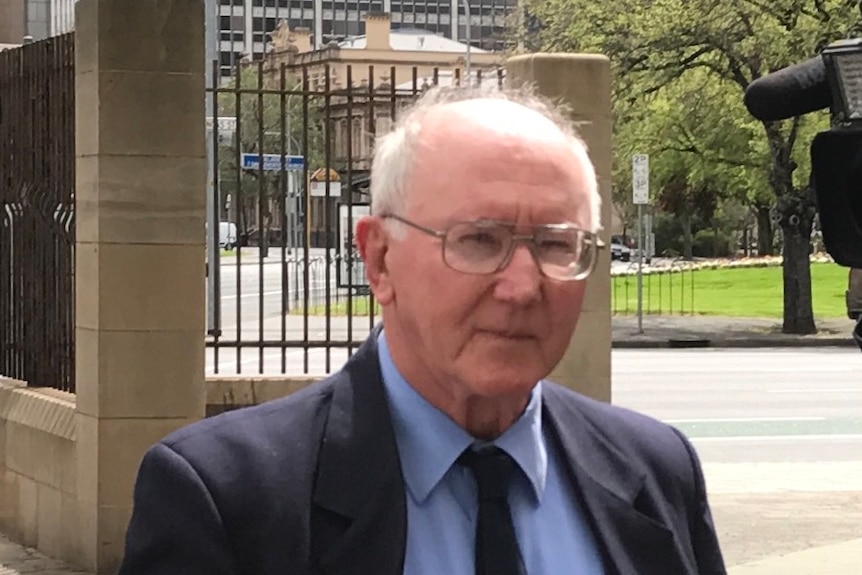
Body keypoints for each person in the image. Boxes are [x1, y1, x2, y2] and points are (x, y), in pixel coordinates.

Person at [118, 83, 727, 575]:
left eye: (555, 245)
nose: (521, 286)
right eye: (479, 240)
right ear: (380, 260)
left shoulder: (656, 472)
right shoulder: (226, 498)